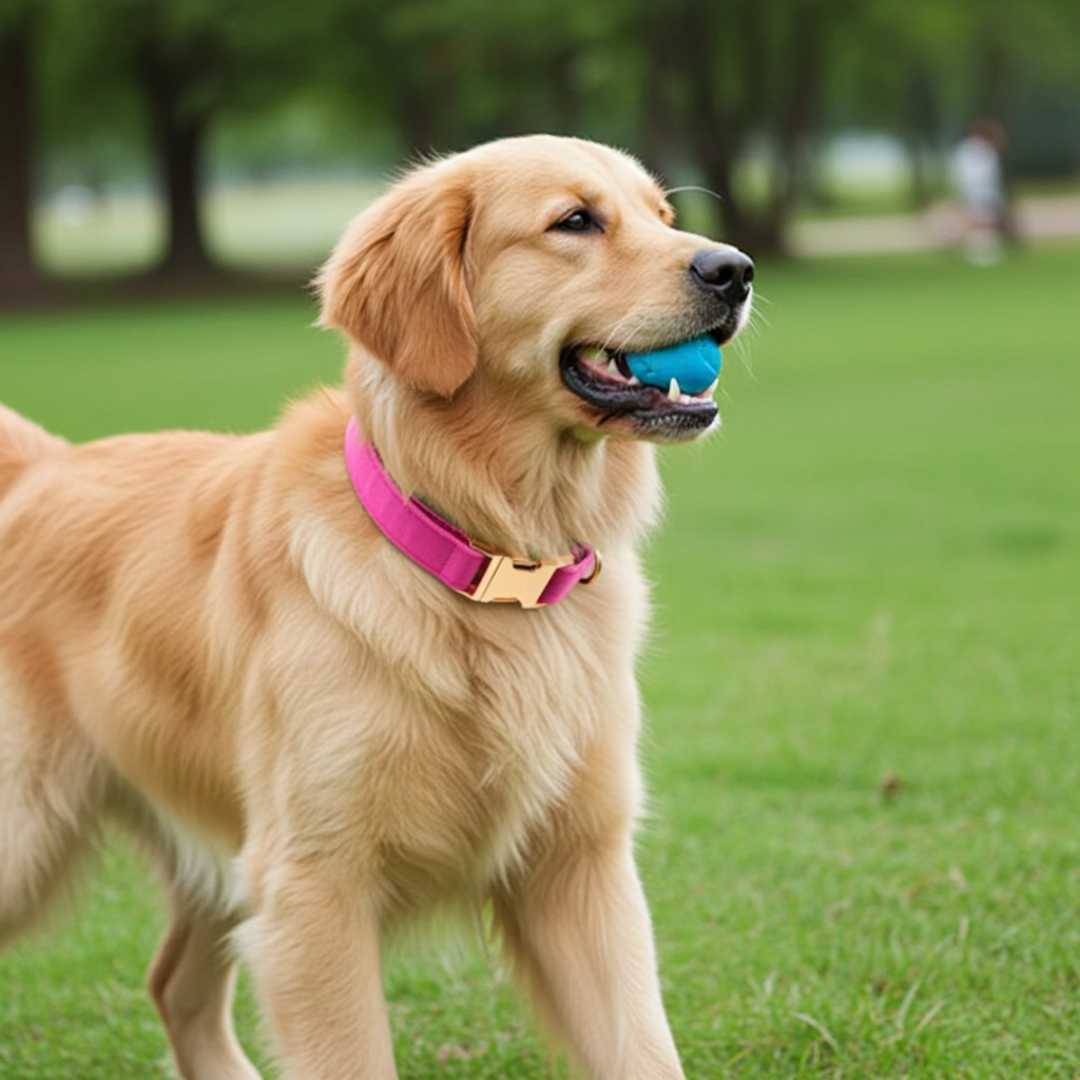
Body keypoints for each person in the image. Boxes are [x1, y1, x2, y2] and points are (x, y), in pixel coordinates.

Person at [951, 118, 1010, 264]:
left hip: (985, 190)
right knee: (977, 221)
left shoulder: (983, 149)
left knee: (987, 221)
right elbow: (966, 173)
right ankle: (978, 252)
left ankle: (986, 250)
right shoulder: (969, 150)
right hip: (975, 190)